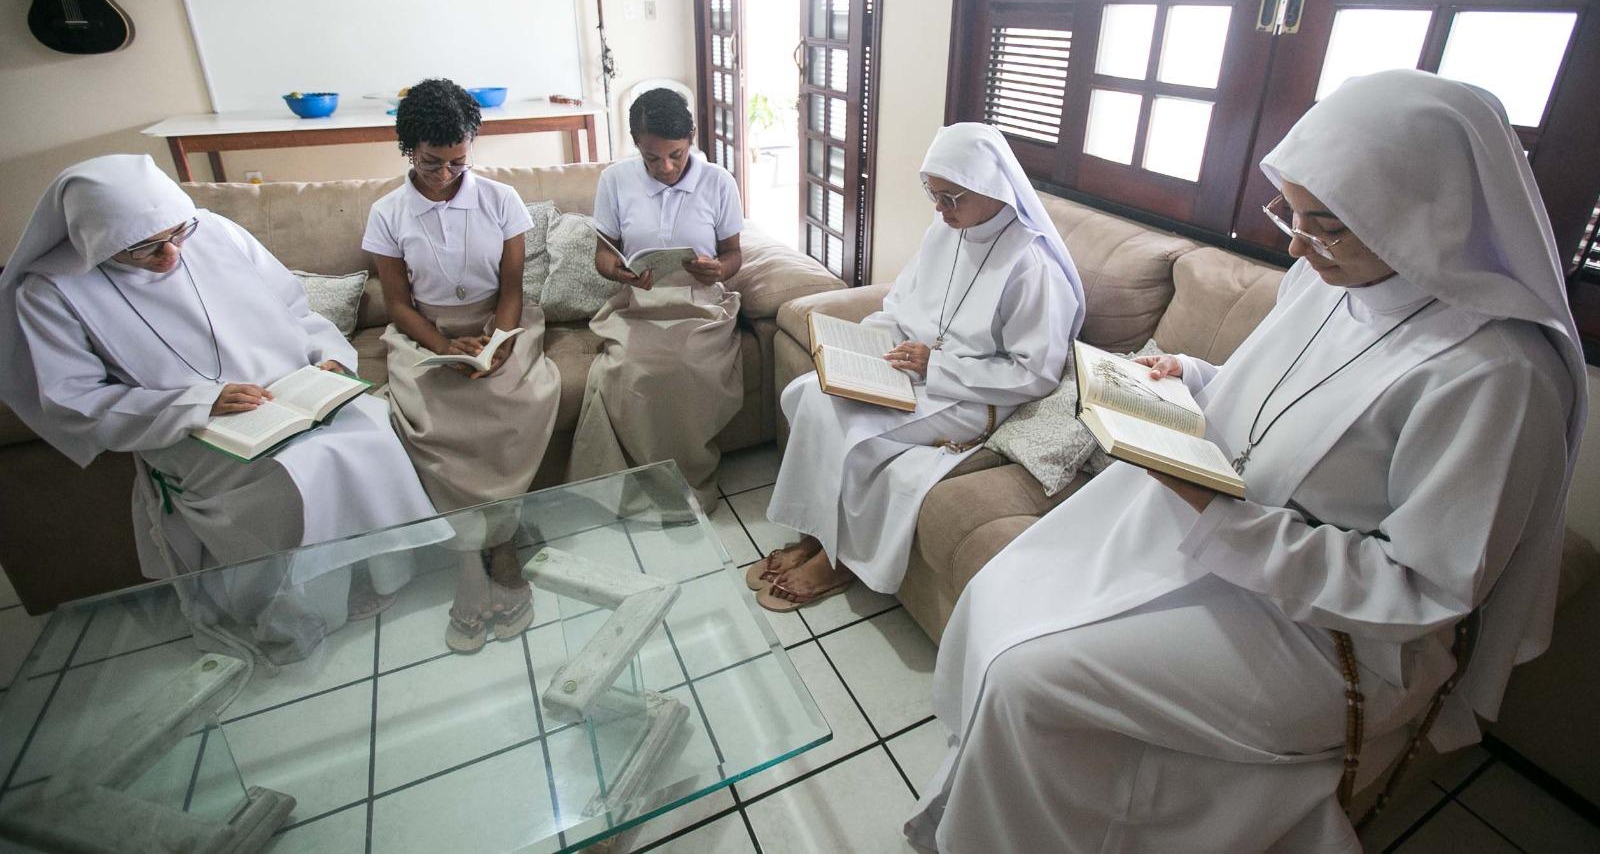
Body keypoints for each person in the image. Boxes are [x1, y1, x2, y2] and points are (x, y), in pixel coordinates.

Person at [903, 70, 1586, 853]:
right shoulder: (1327, 278)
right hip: (1217, 529)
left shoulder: (1497, 373)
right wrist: (1190, 376)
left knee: (1032, 679)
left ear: (1423, 215)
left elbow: (1424, 587)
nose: (1295, 244)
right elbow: (1289, 397)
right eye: (1289, 213)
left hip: (1328, 631)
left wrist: (1226, 519)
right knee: (1001, 589)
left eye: (1325, 224)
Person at [0, 155, 448, 653]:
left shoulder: (212, 230)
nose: (171, 254)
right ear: (97, 242)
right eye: (146, 248)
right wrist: (200, 403)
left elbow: (296, 306)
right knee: (295, 472)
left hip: (293, 389)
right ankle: (310, 607)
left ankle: (378, 571)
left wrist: (328, 357)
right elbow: (77, 402)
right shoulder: (52, 290)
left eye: (177, 234)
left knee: (371, 429)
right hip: (186, 426)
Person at [756, 123, 1086, 611]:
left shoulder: (1031, 266)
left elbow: (1034, 374)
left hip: (976, 396)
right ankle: (816, 535)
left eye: (952, 197)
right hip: (913, 367)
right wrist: (862, 345)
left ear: (992, 187)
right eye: (933, 194)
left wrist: (937, 366)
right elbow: (901, 303)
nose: (939, 209)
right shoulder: (946, 230)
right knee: (810, 393)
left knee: (854, 430)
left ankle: (838, 558)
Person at [363, 78, 559, 653]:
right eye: (430, 163)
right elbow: (397, 303)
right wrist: (444, 348)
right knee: (429, 418)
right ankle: (467, 555)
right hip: (425, 332)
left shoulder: (501, 200)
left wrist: (495, 343)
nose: (445, 175)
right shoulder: (387, 213)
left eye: (456, 161)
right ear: (408, 149)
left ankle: (502, 541)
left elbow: (513, 287)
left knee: (515, 400)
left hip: (500, 324)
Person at [568, 87, 744, 507]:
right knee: (627, 367)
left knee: (684, 363)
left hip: (700, 304)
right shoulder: (615, 180)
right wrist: (620, 271)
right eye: (651, 157)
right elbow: (603, 255)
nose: (664, 167)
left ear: (693, 138)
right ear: (636, 146)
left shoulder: (719, 182)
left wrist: (718, 269)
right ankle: (644, 483)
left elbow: (734, 253)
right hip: (639, 304)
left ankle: (686, 480)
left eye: (676, 154)